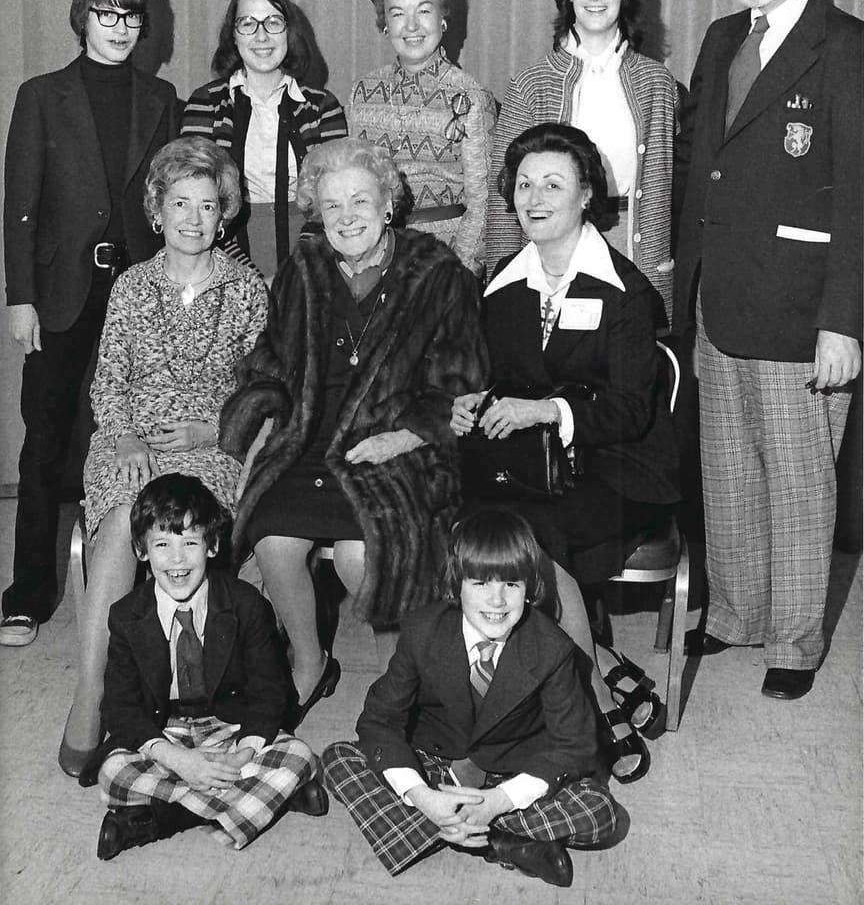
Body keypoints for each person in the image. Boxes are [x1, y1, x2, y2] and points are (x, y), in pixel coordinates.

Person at [220, 137, 487, 721]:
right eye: (332, 206)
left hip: (397, 448)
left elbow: (460, 379)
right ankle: (311, 661)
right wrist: (264, 420)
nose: (346, 218)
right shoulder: (304, 267)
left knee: (358, 554)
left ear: (388, 203)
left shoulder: (437, 272)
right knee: (273, 537)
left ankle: (405, 679)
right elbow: (269, 357)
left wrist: (404, 436)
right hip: (310, 439)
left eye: (360, 202)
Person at [673, 0, 862, 700]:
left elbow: (859, 193)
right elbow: (700, 169)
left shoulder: (847, 46)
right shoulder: (720, 38)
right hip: (721, 296)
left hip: (800, 307)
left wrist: (844, 323)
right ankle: (736, 615)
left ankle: (793, 639)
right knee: (729, 470)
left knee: (798, 478)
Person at [453, 123, 680, 782]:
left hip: (619, 467)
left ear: (587, 196)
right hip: (529, 465)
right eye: (523, 184)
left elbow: (634, 412)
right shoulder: (502, 283)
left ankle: (595, 704)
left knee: (530, 537)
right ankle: (602, 663)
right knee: (471, 524)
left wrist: (550, 411)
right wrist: (474, 403)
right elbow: (494, 379)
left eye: (553, 183)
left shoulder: (627, 292)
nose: (535, 196)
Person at [59, 137, 269, 775]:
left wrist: (211, 431)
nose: (192, 219)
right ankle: (93, 694)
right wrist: (121, 434)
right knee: (126, 517)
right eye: (180, 203)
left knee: (176, 518)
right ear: (157, 210)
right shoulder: (129, 287)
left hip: (210, 447)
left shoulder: (246, 290)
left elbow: (262, 394)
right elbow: (108, 381)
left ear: (224, 214)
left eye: (207, 206)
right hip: (132, 441)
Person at [1, 0, 179, 649]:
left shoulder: (160, 98)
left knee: (145, 427)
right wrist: (22, 299)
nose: (121, 28)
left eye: (132, 15)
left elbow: (168, 200)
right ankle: (28, 593)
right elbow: (21, 206)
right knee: (45, 443)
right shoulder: (42, 94)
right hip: (61, 296)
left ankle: (147, 582)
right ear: (84, 17)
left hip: (137, 291)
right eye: (107, 13)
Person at [321, 509, 617, 887]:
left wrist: (498, 801)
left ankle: (472, 832)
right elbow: (380, 721)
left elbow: (574, 745)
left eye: (511, 584)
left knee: (600, 809)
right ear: (456, 584)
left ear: (531, 588)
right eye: (480, 583)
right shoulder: (422, 630)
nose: (496, 601)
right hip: (438, 763)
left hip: (515, 769)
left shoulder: (553, 648)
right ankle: (507, 842)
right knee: (338, 759)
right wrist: (423, 795)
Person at [94, 474, 325, 861]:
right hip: (164, 729)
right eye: (162, 544)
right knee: (113, 772)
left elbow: (272, 693)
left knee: (298, 755)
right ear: (141, 551)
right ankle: (260, 803)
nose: (178, 559)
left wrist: (241, 756)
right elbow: (119, 707)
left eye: (190, 542)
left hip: (229, 728)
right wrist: (180, 761)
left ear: (213, 545)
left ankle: (161, 820)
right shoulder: (125, 615)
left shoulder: (246, 604)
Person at [485, 0, 676, 323]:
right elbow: (503, 191)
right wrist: (500, 280)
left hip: (634, 244)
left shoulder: (659, 83)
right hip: (553, 247)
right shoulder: (530, 84)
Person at [181, 0, 348, 280]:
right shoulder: (204, 104)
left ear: (289, 32)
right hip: (223, 256)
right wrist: (245, 276)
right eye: (248, 23)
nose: (261, 35)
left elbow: (337, 198)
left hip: (314, 256)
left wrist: (295, 273)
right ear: (233, 35)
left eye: (273, 22)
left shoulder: (323, 107)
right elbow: (194, 201)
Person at [348, 0, 496, 277]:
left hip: (447, 260)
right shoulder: (362, 93)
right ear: (385, 23)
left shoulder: (471, 97)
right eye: (398, 13)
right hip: (375, 259)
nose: (411, 26)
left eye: (424, 11)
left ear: (443, 17)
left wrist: (459, 274)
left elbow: (484, 203)